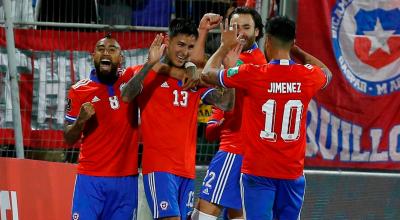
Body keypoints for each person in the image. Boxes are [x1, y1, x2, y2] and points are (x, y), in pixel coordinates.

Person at [201, 16, 332, 220]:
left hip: (258, 171)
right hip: (292, 172)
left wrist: (223, 48)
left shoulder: (253, 74)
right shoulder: (308, 76)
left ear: (267, 40)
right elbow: (328, 73)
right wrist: (296, 51)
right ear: (292, 41)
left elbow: (207, 73)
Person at [121, 18, 235, 220]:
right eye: (180, 45)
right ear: (167, 41)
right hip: (159, 169)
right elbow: (127, 95)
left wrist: (231, 73)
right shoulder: (146, 72)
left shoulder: (192, 79)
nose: (184, 52)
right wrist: (150, 64)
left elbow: (227, 104)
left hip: (187, 171)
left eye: (190, 47)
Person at [191, 7, 267, 220]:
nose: (240, 32)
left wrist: (224, 46)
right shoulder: (238, 57)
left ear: (258, 32)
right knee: (237, 215)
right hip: (247, 151)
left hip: (235, 149)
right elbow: (198, 67)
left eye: (246, 27)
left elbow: (205, 75)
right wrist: (203, 30)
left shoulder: (250, 62)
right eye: (234, 27)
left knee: (203, 214)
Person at [64, 34, 139, 220]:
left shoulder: (131, 79)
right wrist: (80, 121)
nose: (106, 53)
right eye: (101, 49)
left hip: (126, 180)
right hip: (91, 179)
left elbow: (157, 64)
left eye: (112, 50)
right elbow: (67, 137)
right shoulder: (79, 90)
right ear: (93, 55)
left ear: (121, 58)